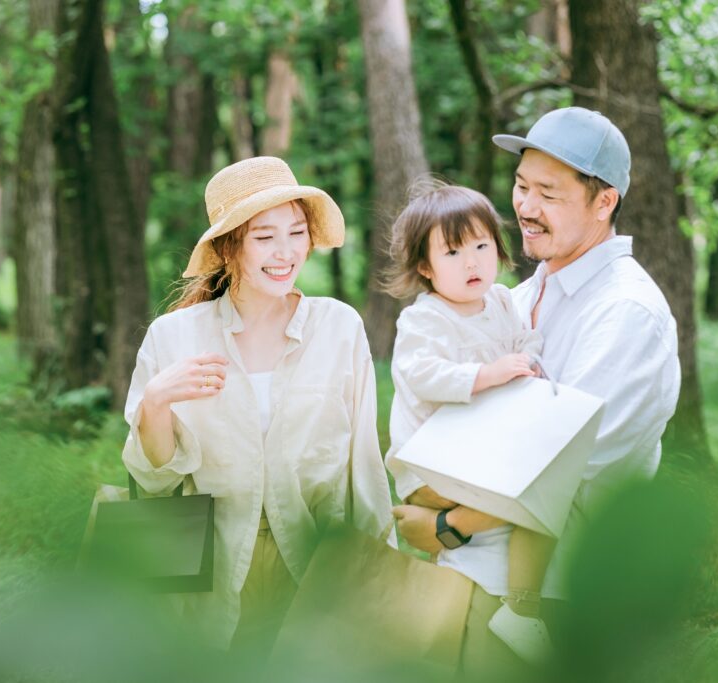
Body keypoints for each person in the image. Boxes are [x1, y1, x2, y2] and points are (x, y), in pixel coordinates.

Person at [393, 107, 681, 674]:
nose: (524, 207)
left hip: (557, 598)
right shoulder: (519, 297)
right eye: (522, 186)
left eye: (548, 193)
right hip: (476, 580)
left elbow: (566, 463)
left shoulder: (623, 311)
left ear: (604, 203)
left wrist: (450, 527)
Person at [121, 156, 393, 654]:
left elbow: (363, 469)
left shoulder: (339, 327)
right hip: (211, 566)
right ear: (230, 248)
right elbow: (155, 480)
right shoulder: (174, 336)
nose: (286, 252)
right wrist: (156, 401)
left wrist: (377, 575)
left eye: (296, 232)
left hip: (316, 561)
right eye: (265, 237)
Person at [382, 181, 557, 664]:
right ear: (425, 267)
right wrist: (488, 374)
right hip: (432, 462)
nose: (473, 262)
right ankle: (446, 533)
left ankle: (522, 610)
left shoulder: (501, 302)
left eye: (482, 246)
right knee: (533, 497)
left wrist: (526, 361)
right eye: (454, 252)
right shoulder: (426, 320)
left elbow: (529, 340)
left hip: (479, 456)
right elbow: (424, 375)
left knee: (544, 503)